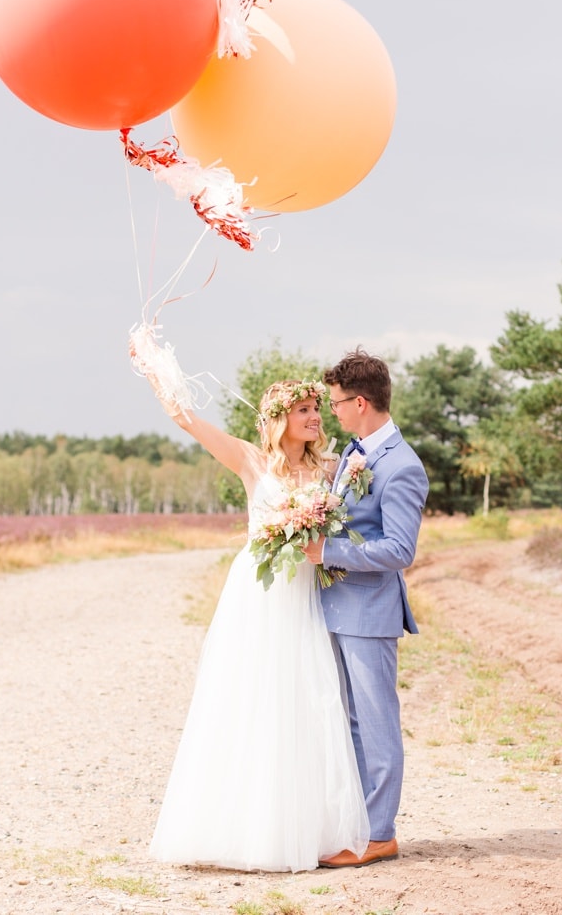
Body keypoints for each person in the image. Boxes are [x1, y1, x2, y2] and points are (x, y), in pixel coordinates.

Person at [145, 377, 370, 872]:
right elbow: (189, 421)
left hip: (304, 596)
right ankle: (237, 829)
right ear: (280, 417)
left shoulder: (330, 467)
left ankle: (302, 830)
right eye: (307, 410)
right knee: (249, 696)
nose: (316, 417)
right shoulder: (251, 459)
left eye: (317, 409)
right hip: (259, 593)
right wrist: (156, 370)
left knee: (304, 698)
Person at [301, 349, 428, 868]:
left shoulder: (401, 465)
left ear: (360, 402)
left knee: (375, 723)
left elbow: (401, 550)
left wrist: (326, 552)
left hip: (370, 614)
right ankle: (356, 825)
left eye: (334, 402)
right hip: (336, 607)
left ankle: (379, 835)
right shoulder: (355, 452)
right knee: (347, 721)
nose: (330, 411)